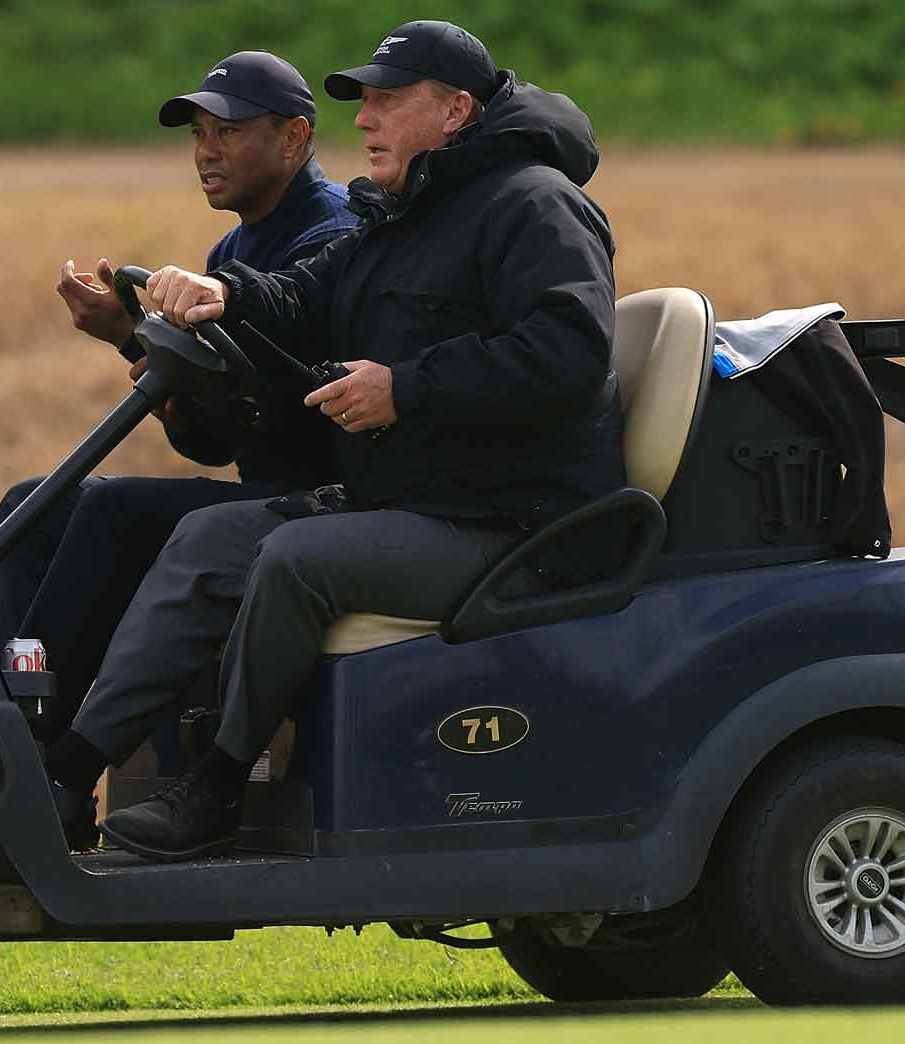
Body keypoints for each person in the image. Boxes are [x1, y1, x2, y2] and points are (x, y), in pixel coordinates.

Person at [41, 20, 625, 861]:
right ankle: (62, 775)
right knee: (210, 536)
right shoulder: (403, 216)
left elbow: (568, 354)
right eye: (365, 102)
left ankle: (218, 786)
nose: (366, 119)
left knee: (297, 557)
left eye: (388, 100)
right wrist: (220, 291)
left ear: (456, 109)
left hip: (516, 523)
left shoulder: (536, 203)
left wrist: (405, 388)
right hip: (422, 503)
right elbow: (301, 295)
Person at [0, 51, 354, 849]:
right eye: (197, 134)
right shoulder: (233, 253)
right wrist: (134, 340)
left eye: (227, 132)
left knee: (114, 510)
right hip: (262, 490)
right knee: (31, 503)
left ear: (294, 139)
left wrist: (164, 359)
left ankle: (46, 769)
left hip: (326, 502)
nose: (205, 153)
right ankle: (12, 731)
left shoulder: (334, 239)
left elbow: (293, 420)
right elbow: (212, 441)